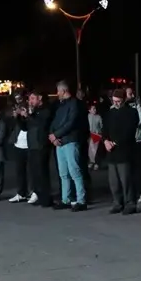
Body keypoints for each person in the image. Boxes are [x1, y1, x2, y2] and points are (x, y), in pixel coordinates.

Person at [48, 81, 88, 212]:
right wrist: (52, 136)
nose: (57, 94)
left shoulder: (75, 104)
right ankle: (66, 199)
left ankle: (81, 200)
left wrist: (55, 135)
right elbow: (54, 121)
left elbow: (71, 122)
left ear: (63, 91)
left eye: (58, 91)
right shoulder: (61, 105)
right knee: (63, 173)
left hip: (70, 141)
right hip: (60, 142)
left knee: (75, 171)